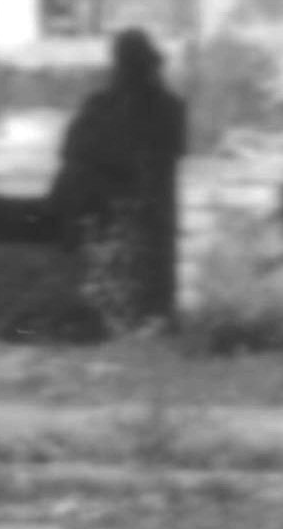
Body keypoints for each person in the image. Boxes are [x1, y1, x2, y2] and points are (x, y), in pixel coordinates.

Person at [52, 29, 190, 336]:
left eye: (132, 66)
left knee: (83, 183)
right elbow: (72, 146)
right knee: (74, 179)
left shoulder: (165, 108)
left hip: (142, 193)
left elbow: (160, 159)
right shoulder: (102, 103)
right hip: (106, 188)